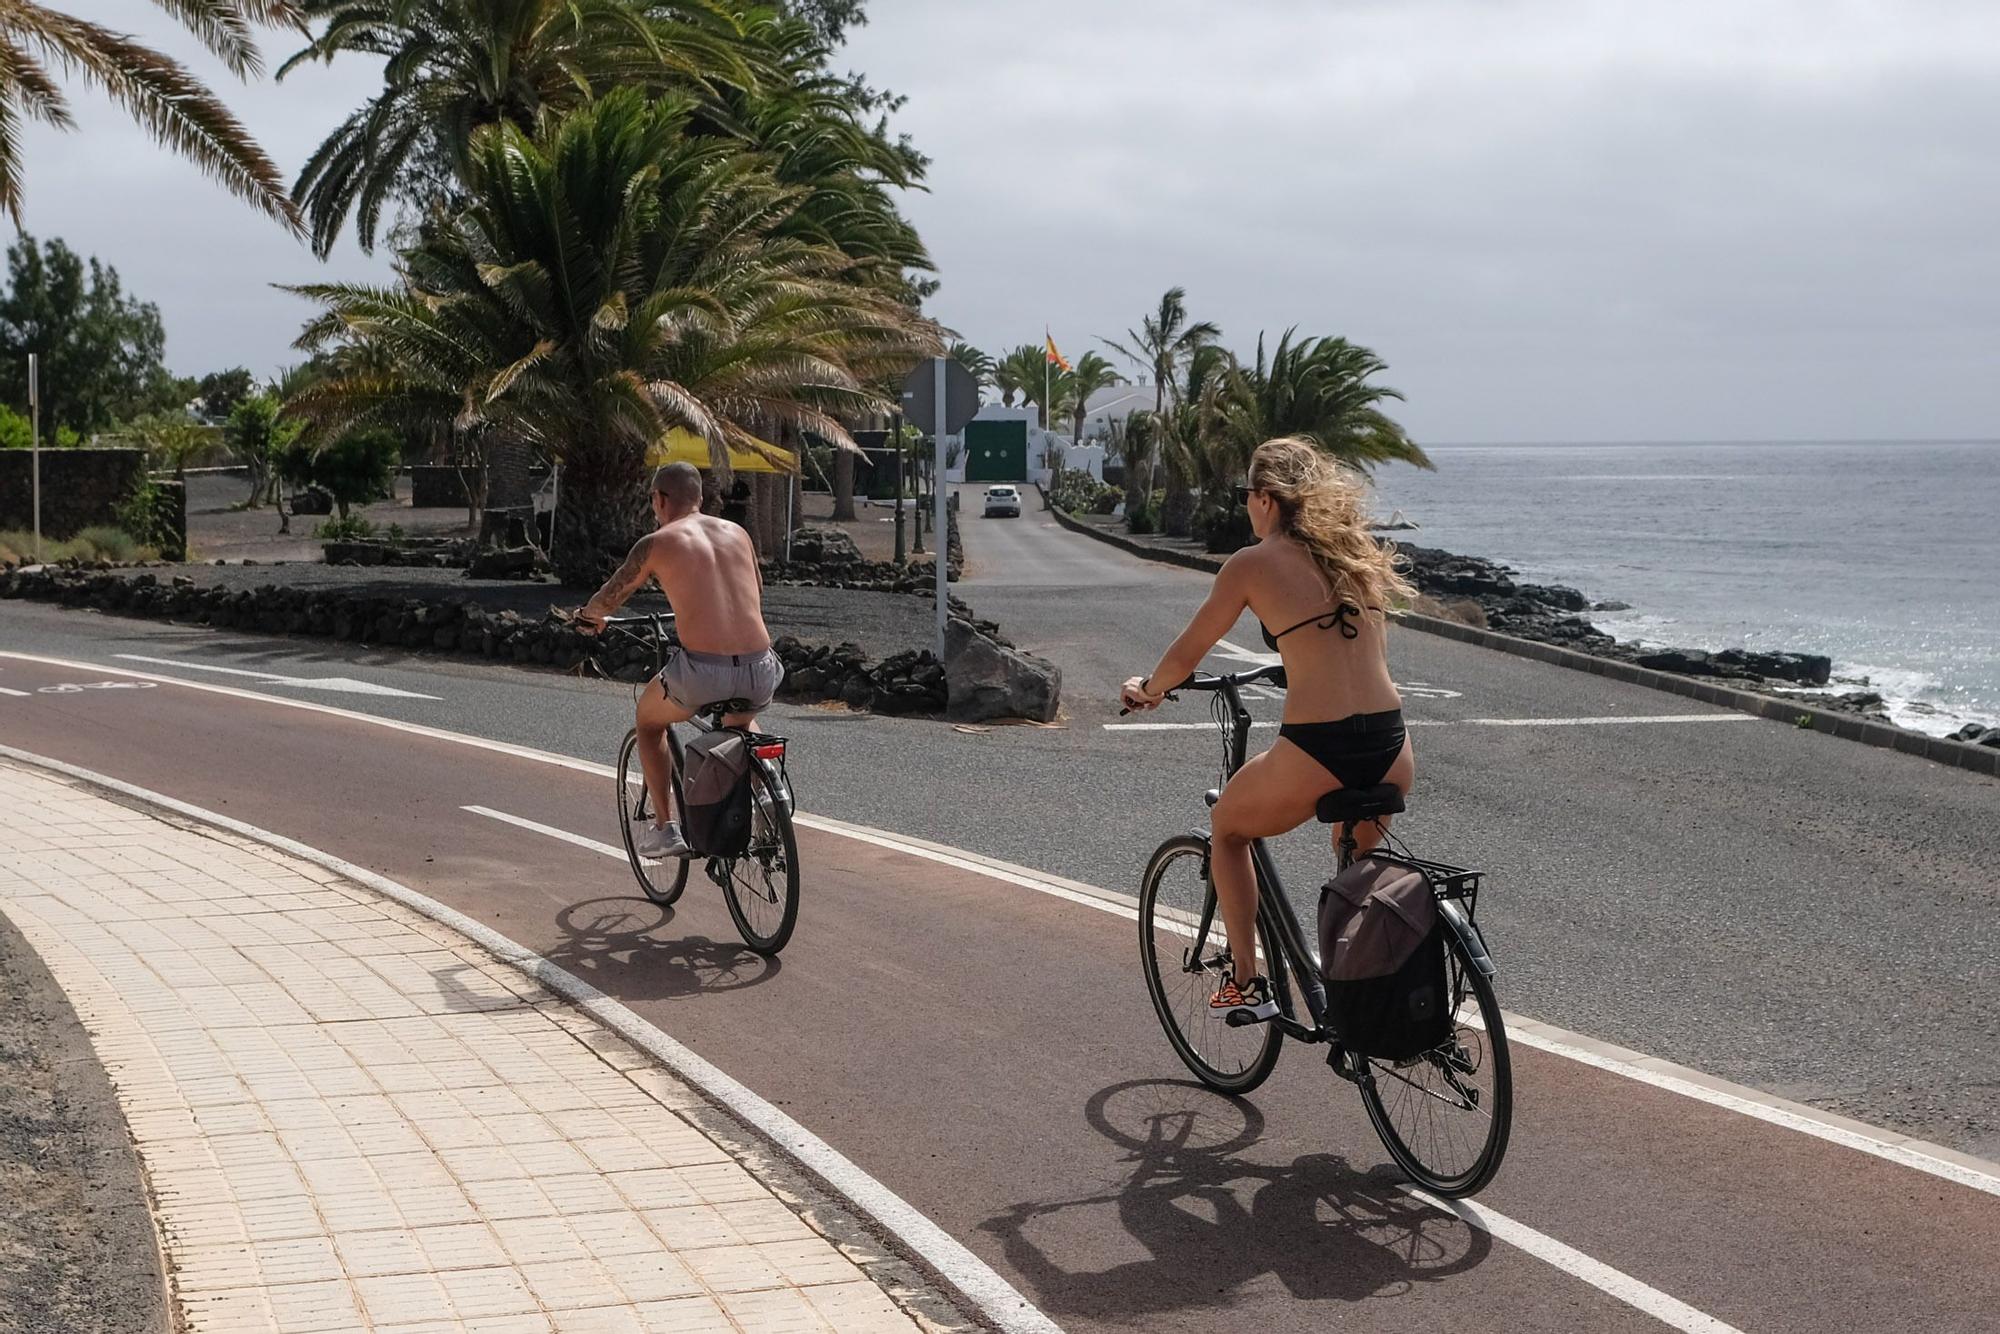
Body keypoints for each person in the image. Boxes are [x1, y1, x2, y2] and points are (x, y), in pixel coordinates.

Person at [1121, 437, 1415, 1020]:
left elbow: (1186, 655)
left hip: (1320, 748)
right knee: (1353, 862)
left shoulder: (1252, 564)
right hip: (1390, 744)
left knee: (1228, 827)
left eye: (1246, 496)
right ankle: (1363, 993)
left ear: (1263, 498)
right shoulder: (1353, 554)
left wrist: (1149, 690)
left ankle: (1247, 978)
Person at [576, 462, 783, 858]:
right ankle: (769, 783)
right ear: (701, 498)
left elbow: (612, 595)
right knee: (740, 719)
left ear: (659, 499)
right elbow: (755, 589)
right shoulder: (738, 532)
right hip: (761, 667)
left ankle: (664, 829)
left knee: (648, 721)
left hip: (704, 671)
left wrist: (589, 617)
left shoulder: (657, 541)